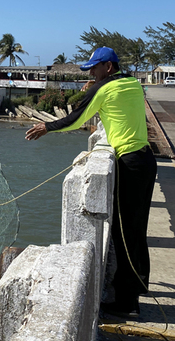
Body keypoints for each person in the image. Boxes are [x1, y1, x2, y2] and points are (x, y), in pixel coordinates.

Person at [25, 46, 157, 318]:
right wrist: (98, 84)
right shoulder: (132, 83)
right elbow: (115, 88)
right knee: (137, 228)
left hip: (130, 164)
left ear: (107, 67)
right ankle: (140, 285)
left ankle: (127, 303)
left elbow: (77, 119)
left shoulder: (104, 89)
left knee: (124, 235)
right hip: (146, 161)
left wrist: (47, 127)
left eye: (95, 68)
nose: (92, 73)